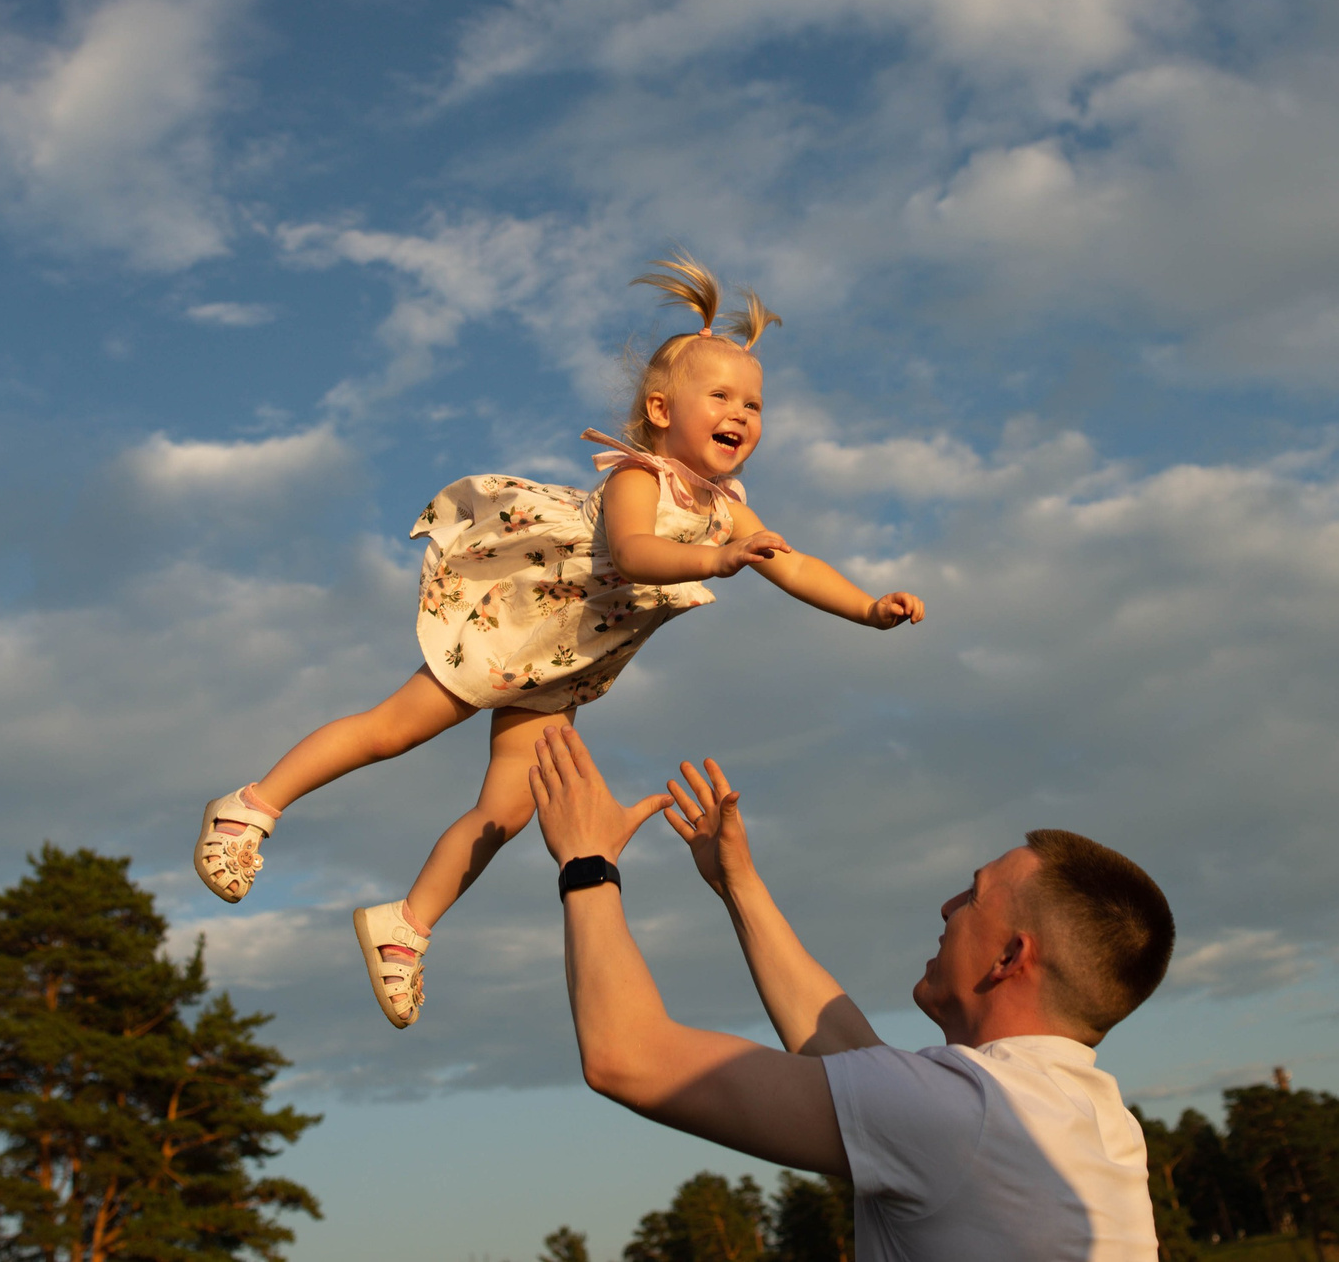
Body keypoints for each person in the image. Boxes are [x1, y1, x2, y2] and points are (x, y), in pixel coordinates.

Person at [192, 256, 927, 1029]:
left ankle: (406, 923)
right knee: (393, 729)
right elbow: (638, 552)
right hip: (517, 626)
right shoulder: (637, 478)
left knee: (508, 811)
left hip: (564, 668)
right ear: (661, 408)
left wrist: (867, 607)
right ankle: (250, 806)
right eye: (721, 395)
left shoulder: (728, 507)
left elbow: (798, 563)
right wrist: (715, 558)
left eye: (754, 403)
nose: (742, 413)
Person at [529, 725, 1175, 1261]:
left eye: (972, 895)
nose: (947, 906)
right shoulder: (1099, 1126)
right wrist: (739, 884)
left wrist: (586, 860)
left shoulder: (960, 1113)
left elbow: (629, 1055)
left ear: (1011, 955)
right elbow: (846, 1053)